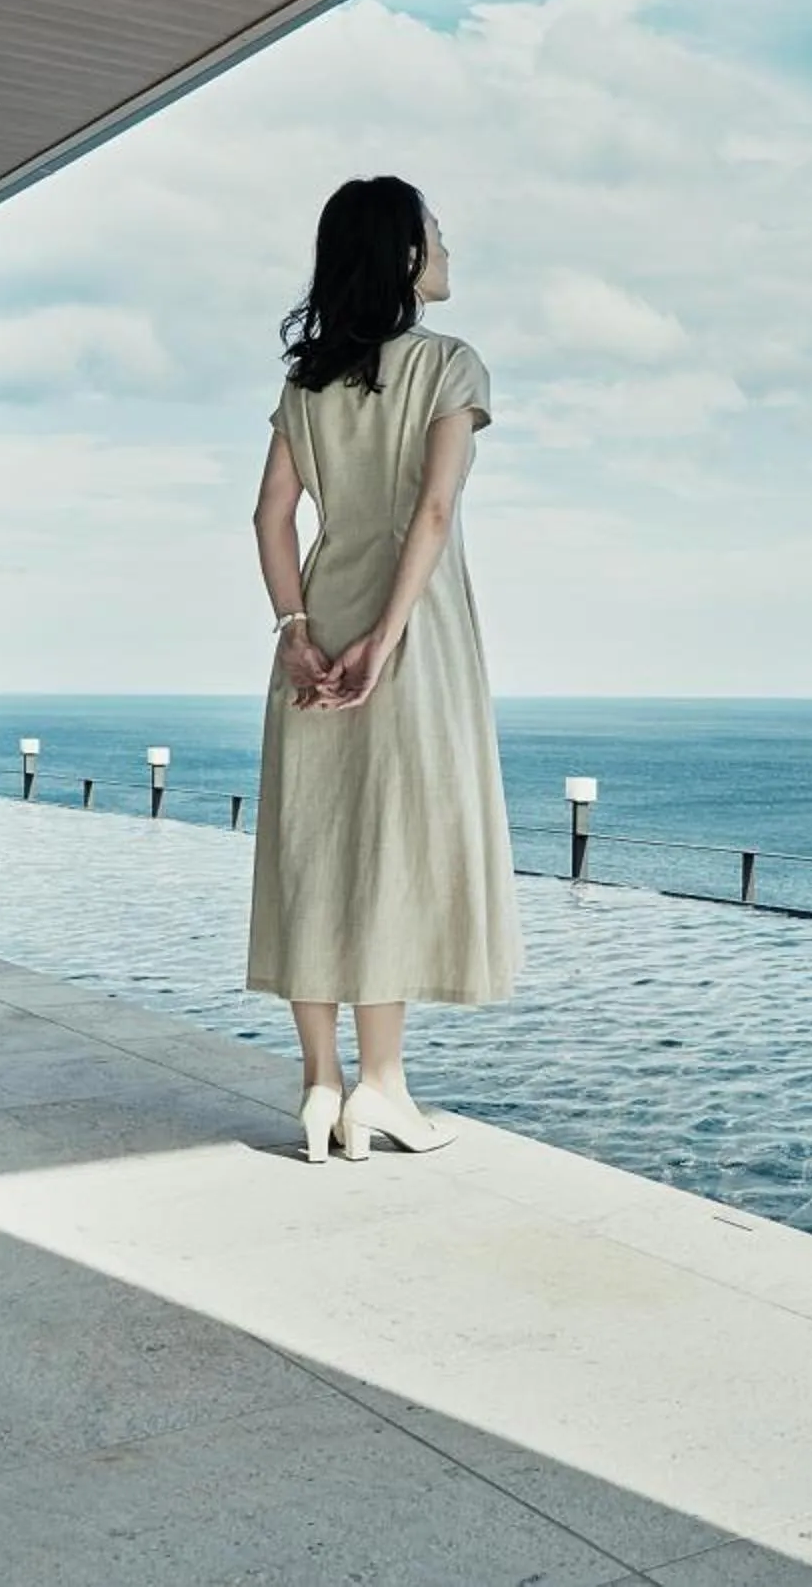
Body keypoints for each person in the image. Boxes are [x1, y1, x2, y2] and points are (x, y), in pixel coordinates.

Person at [246, 174, 519, 1164]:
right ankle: (384, 1089)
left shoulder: (304, 386)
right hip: (413, 626)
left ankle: (319, 1087)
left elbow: (272, 515)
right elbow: (434, 515)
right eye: (437, 233)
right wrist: (387, 638)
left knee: (314, 846)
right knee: (388, 852)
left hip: (316, 622)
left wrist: (295, 626)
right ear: (405, 256)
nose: (449, 247)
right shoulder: (451, 365)